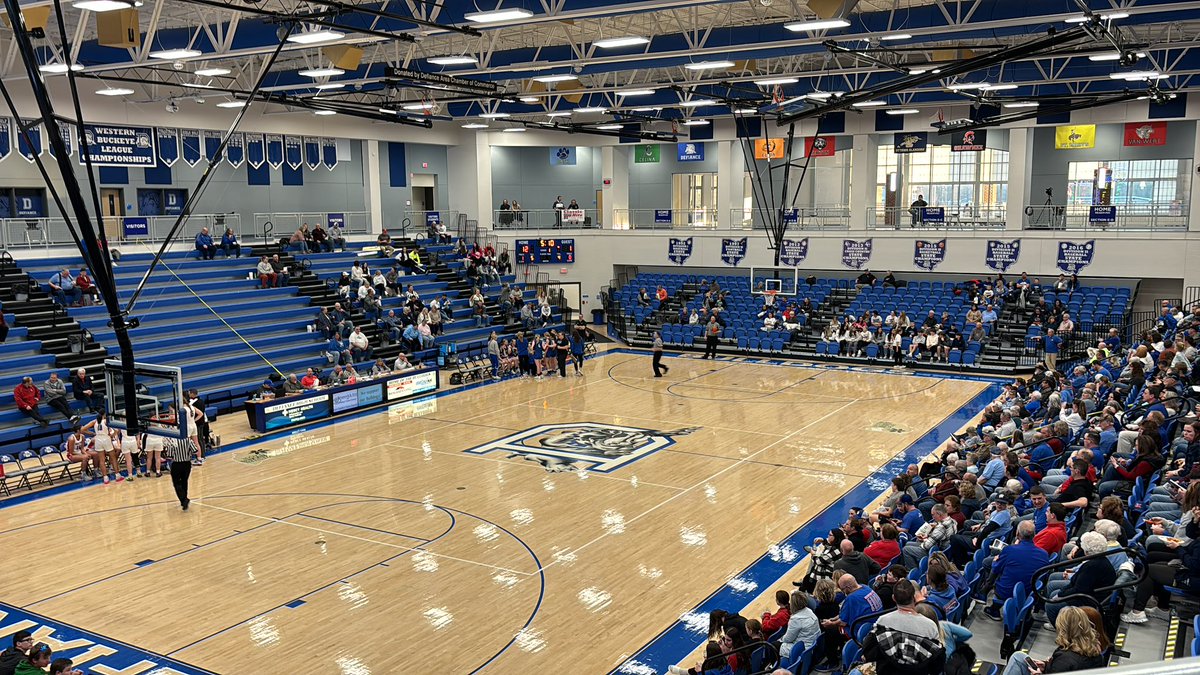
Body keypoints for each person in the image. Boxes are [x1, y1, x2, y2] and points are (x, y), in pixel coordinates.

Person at [861, 579, 944, 673]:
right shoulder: (930, 625)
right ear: (914, 597)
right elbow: (937, 663)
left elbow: (868, 652)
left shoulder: (882, 621)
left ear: (893, 598)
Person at [1001, 606, 1105, 674]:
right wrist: (1046, 666)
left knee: (1016, 658)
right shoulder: (1096, 651)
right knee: (1019, 657)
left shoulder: (1065, 660)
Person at [983, 520, 1049, 620]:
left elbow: (996, 568)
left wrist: (996, 561)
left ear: (1017, 534)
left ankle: (991, 603)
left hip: (1006, 591)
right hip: (1029, 592)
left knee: (995, 567)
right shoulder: (1044, 554)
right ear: (1034, 535)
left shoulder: (1009, 550)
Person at [778, 589, 820, 660]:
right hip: (811, 644)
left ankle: (773, 666)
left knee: (774, 645)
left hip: (804, 648)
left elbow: (788, 639)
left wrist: (780, 639)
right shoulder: (809, 611)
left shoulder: (796, 619)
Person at [165, 433, 193, 510]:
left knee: (176, 483)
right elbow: (195, 450)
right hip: (187, 464)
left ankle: (183, 500)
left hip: (176, 464)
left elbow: (169, 455)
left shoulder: (172, 442)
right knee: (184, 482)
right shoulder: (188, 440)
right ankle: (184, 500)